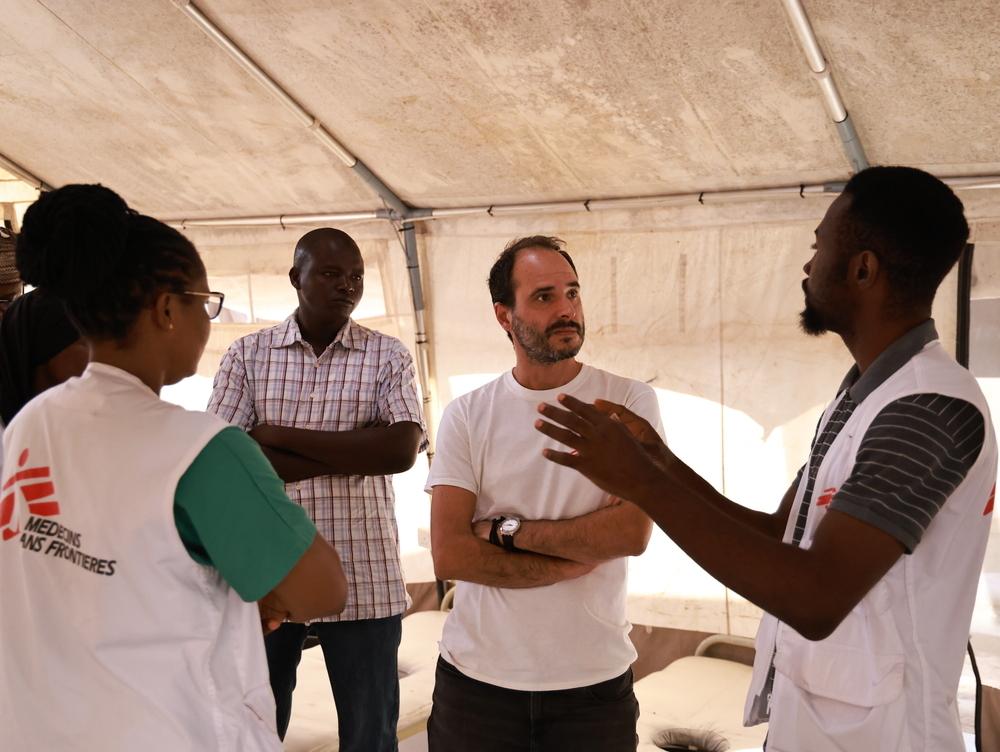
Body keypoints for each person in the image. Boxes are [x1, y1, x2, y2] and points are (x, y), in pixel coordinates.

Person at [534, 167, 998, 751]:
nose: (807, 267)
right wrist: (659, 463)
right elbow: (784, 535)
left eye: (818, 246)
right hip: (821, 728)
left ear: (863, 268)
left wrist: (645, 487)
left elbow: (815, 598)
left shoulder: (927, 408)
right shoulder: (864, 396)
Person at [0, 184, 347, 751]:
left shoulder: (31, 424)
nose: (208, 317)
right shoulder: (199, 448)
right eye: (203, 300)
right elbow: (322, 589)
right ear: (166, 308)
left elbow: (92, 569)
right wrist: (248, 592)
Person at [426, 236, 660, 752]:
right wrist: (567, 562)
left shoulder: (626, 401)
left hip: (591, 688)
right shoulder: (467, 414)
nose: (566, 310)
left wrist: (506, 532)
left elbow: (630, 532)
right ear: (504, 316)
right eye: (544, 297)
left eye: (572, 293)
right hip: (476, 687)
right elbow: (451, 553)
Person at [208, 227, 427, 752]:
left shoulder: (388, 356)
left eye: (355, 276)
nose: (347, 286)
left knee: (370, 737)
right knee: (255, 729)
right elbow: (222, 460)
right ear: (295, 278)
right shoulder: (248, 355)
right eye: (330, 273)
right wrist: (354, 452)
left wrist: (276, 438)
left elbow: (398, 451)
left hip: (364, 578)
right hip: (267, 579)